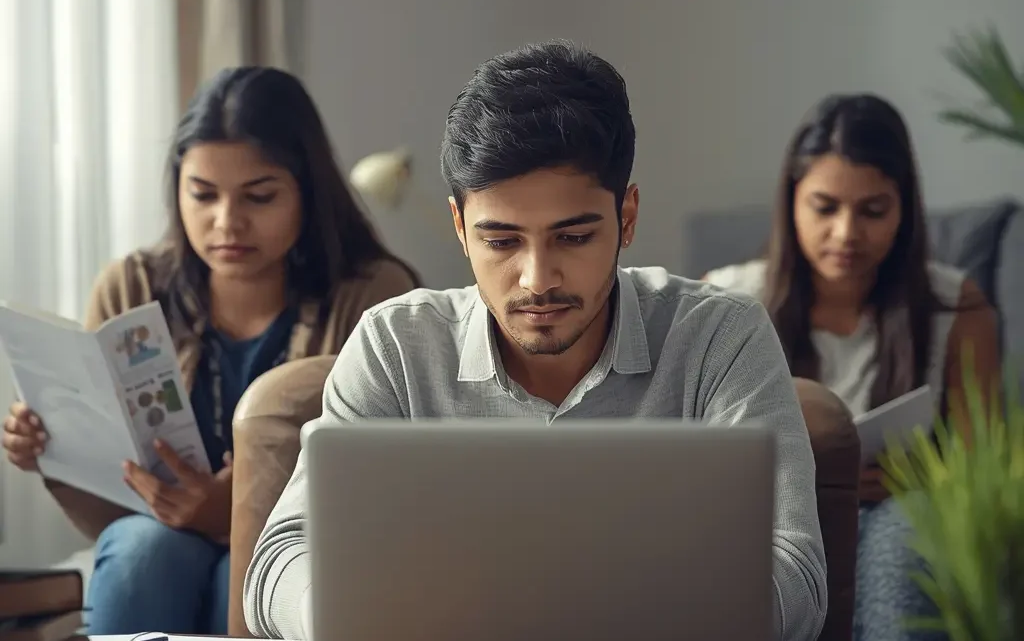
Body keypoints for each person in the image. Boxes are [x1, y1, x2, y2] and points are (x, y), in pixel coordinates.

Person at [244, 41, 827, 641]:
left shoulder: (719, 337)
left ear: (627, 217)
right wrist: (347, 615)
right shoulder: (395, 346)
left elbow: (796, 579)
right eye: (501, 242)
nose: (537, 279)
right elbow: (279, 559)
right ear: (459, 228)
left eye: (573, 237)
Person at [1, 66, 419, 636]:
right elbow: (108, 485)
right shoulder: (133, 287)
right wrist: (51, 442)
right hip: (151, 533)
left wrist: (236, 513)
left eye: (260, 196)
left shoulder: (374, 297)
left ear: (308, 190)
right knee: (141, 553)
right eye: (202, 194)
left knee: (248, 577)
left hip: (299, 538)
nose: (227, 223)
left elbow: (392, 486)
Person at [703, 94, 1002, 641]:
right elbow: (691, 458)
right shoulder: (725, 303)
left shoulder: (954, 308)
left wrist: (914, 478)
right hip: (770, 519)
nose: (846, 234)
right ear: (792, 202)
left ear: (904, 208)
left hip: (898, 509)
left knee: (903, 542)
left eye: (872, 210)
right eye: (825, 207)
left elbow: (979, 471)